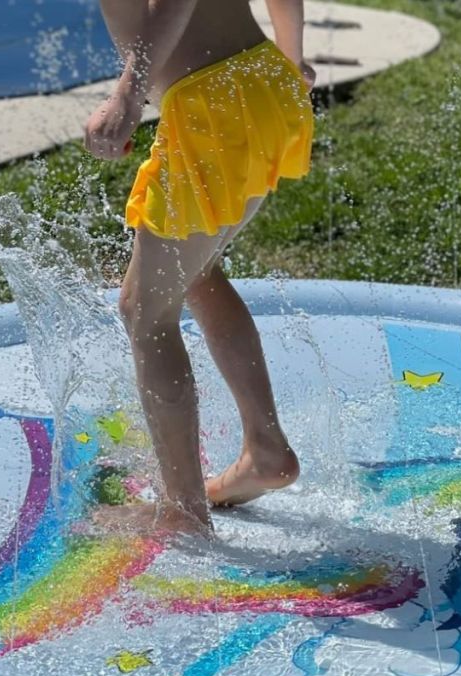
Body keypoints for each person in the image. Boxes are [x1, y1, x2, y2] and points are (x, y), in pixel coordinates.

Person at [84, 0, 316, 537]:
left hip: (213, 104)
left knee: (145, 312)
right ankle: (264, 450)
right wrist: (291, 57)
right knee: (197, 274)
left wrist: (126, 96)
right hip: (260, 78)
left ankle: (182, 514)